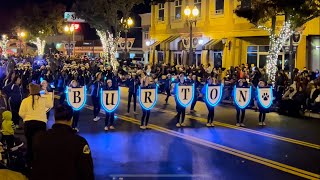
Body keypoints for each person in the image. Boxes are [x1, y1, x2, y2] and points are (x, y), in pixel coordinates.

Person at [31, 104, 94, 180]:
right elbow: (87, 172)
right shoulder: (80, 142)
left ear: (54, 118)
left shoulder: (39, 137)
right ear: (71, 119)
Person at [19, 83, 53, 167]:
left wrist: (26, 118)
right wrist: (47, 94)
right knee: (39, 144)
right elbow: (50, 105)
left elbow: (21, 113)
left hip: (29, 124)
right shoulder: (42, 99)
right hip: (40, 124)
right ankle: (39, 162)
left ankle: (29, 163)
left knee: (30, 144)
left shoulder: (25, 100)